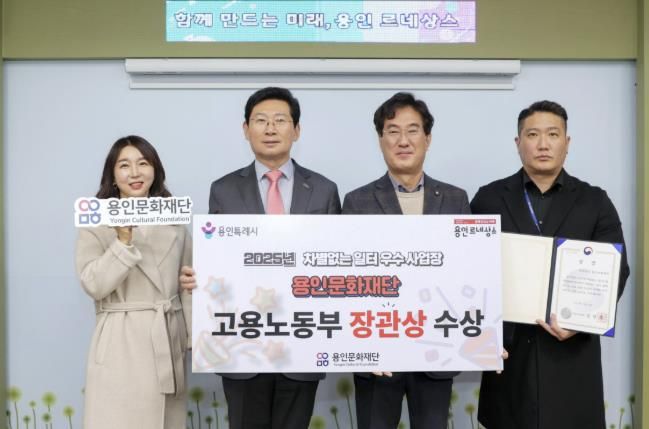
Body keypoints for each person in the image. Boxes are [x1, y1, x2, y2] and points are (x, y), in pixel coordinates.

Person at [180, 87, 341, 429]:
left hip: (302, 343)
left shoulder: (324, 190)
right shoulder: (223, 189)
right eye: (261, 121)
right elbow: (219, 258)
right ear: (246, 129)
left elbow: (336, 261)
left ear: (296, 130)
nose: (270, 129)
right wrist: (200, 275)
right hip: (242, 345)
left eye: (280, 120)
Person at [472, 100, 630, 429]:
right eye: (533, 135)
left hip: (571, 357)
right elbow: (468, 272)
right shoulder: (489, 198)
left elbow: (617, 271)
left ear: (567, 143)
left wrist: (580, 323)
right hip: (509, 358)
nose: (543, 144)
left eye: (553, 134)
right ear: (518, 143)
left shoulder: (594, 201)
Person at [342, 92, 470, 429]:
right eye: (392, 131)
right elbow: (347, 280)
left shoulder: (455, 199)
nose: (403, 140)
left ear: (428, 138)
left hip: (437, 348)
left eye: (413, 130)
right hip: (377, 352)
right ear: (380, 139)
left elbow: (468, 273)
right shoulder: (356, 202)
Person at [76, 136, 192, 429]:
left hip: (166, 335)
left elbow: (187, 283)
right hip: (120, 341)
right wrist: (122, 243)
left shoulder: (175, 221)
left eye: (143, 163)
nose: (135, 173)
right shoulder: (96, 221)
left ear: (155, 170)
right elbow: (93, 284)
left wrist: (193, 337)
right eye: (124, 165)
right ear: (113, 175)